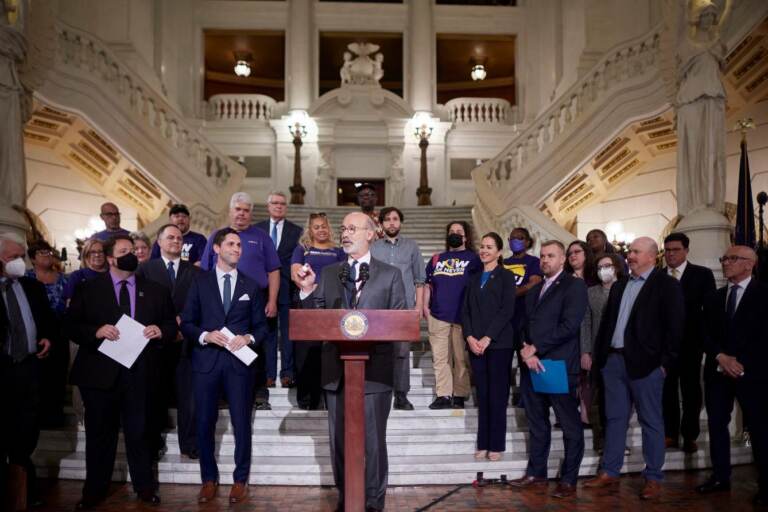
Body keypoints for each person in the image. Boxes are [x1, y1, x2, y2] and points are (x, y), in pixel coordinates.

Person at [296, 212, 405, 512]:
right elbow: (314, 321)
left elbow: (399, 322)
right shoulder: (331, 274)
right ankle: (348, 499)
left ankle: (372, 503)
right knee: (339, 443)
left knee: (372, 443)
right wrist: (307, 290)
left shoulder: (390, 274)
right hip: (336, 372)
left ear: (371, 234)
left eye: (352, 229)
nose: (345, 234)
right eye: (343, 229)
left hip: (375, 373)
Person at [65, 234, 177, 509]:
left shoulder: (156, 290)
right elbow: (70, 325)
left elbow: (171, 325)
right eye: (125, 250)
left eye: (135, 250)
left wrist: (161, 330)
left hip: (140, 374)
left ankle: (145, 487)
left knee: (140, 433)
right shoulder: (88, 288)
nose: (133, 254)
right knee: (99, 436)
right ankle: (94, 490)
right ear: (111, 257)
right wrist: (96, 331)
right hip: (100, 375)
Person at [585, 237, 684, 500]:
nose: (630, 256)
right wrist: (601, 358)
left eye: (637, 252)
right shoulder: (619, 286)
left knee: (650, 421)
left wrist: (664, 365)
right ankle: (610, 471)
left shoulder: (667, 285)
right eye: (630, 251)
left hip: (647, 366)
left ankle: (653, 477)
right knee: (614, 419)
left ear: (653, 256)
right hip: (614, 363)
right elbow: (607, 325)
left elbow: (675, 329)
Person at [181, 228, 268, 505]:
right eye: (231, 244)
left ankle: (240, 480)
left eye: (239, 245)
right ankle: (208, 479)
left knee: (242, 424)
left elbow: (262, 328)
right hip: (206, 363)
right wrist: (206, 336)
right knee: (205, 422)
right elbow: (188, 322)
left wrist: (248, 338)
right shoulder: (199, 282)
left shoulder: (251, 285)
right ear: (216, 249)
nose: (237, 249)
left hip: (239, 366)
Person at [510, 240, 587, 499]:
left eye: (551, 256)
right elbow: (523, 325)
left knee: (569, 425)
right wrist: (524, 349)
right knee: (537, 423)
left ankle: (568, 479)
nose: (545, 260)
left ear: (562, 259)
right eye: (542, 256)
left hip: (558, 365)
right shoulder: (534, 290)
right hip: (532, 365)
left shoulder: (574, 286)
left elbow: (570, 325)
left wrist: (536, 349)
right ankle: (537, 473)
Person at [697, 246, 768, 506]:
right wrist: (721, 357)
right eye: (724, 258)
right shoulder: (714, 297)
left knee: (760, 430)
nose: (726, 262)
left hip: (754, 374)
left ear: (749, 264)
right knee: (717, 425)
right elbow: (703, 333)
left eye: (732, 258)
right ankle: (720, 477)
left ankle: (766, 485)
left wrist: (740, 363)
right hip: (718, 372)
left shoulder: (764, 294)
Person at [200, 191, 280, 410]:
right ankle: (224, 395)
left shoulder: (262, 236)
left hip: (256, 300)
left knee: (257, 346)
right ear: (230, 211)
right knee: (224, 346)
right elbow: (205, 270)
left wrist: (272, 300)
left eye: (246, 210)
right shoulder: (217, 235)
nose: (242, 214)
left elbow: (273, 271)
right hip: (222, 300)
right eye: (238, 209)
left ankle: (259, 393)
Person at [0, 232, 55, 508]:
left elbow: (45, 321)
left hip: (29, 368)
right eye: (13, 257)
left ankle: (22, 488)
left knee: (27, 429)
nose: (19, 262)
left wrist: (46, 337)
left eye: (21, 257)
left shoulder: (32, 287)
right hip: (3, 369)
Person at [137, 224, 201, 459]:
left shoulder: (195, 271)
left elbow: (201, 302)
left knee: (189, 398)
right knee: (153, 396)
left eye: (179, 238)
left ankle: (190, 444)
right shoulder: (144, 269)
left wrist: (183, 322)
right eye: (170, 237)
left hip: (186, 341)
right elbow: (139, 304)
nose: (176, 241)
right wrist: (165, 326)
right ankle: (152, 444)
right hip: (155, 343)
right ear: (160, 242)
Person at [461, 232, 516, 461]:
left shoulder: (506, 277)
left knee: (498, 396)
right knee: (482, 396)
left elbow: (506, 311)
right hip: (476, 345)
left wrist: (487, 338)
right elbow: (465, 311)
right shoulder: (473, 278)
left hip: (499, 345)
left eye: (489, 247)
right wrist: (470, 337)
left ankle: (496, 445)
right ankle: (483, 442)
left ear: (499, 252)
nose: (484, 250)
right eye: (482, 246)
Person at [662, 232, 716, 453]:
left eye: (675, 250)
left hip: (691, 344)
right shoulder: (658, 276)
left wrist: (705, 343)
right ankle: (670, 433)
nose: (671, 254)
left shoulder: (702, 275)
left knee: (691, 390)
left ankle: (690, 434)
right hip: (664, 346)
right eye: (667, 250)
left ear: (686, 250)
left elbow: (710, 312)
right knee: (666, 390)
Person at [371, 206, 425, 410]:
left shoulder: (411, 246)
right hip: (378, 309)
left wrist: (418, 306)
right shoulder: (373, 247)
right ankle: (379, 392)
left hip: (404, 309)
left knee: (402, 352)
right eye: (387, 219)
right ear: (381, 224)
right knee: (379, 352)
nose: (391, 223)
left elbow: (420, 280)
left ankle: (401, 395)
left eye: (395, 219)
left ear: (400, 222)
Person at [290, 212, 345, 410]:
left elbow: (345, 276)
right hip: (307, 302)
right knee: (307, 351)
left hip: (332, 306)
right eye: (316, 227)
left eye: (324, 226)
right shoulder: (302, 249)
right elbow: (295, 273)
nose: (321, 230)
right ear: (310, 230)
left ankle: (330, 396)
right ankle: (307, 398)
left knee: (330, 352)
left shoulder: (339, 251)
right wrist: (310, 288)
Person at [424, 221, 481, 409]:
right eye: (451, 231)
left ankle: (460, 394)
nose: (455, 234)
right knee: (440, 358)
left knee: (460, 358)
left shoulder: (474, 258)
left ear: (466, 237)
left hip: (462, 315)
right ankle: (443, 395)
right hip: (438, 314)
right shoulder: (436, 259)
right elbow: (427, 285)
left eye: (459, 231)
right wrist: (425, 306)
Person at [254, 191, 302, 388]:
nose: (278, 206)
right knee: (268, 333)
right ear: (268, 206)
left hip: (287, 289)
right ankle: (268, 374)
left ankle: (287, 373)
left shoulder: (297, 231)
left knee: (288, 333)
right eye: (274, 203)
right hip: (261, 289)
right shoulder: (256, 230)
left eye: (282, 203)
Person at [581, 253, 626, 451]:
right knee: (600, 399)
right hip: (598, 351)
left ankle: (618, 442)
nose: (603, 270)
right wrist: (585, 352)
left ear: (616, 267)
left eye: (606, 266)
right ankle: (602, 441)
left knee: (621, 400)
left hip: (622, 351)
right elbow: (586, 324)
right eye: (599, 267)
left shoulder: (627, 289)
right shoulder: (591, 292)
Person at [25, 240, 69, 428]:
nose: (48, 255)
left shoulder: (63, 278)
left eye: (49, 252)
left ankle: (55, 415)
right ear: (33, 258)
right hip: (36, 331)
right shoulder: (26, 278)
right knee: (37, 376)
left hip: (60, 331)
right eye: (42, 253)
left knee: (58, 375)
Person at [502, 227, 543, 408]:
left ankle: (527, 398)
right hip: (504, 320)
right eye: (513, 238)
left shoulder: (533, 262)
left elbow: (534, 282)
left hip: (524, 317)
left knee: (524, 360)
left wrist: (511, 294)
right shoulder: (502, 262)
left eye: (520, 238)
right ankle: (502, 396)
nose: (516, 241)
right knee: (502, 361)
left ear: (527, 242)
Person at [63, 238, 108, 302]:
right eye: (92, 252)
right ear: (86, 255)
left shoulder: (113, 274)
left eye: (100, 251)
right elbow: (70, 303)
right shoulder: (77, 276)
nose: (97, 255)